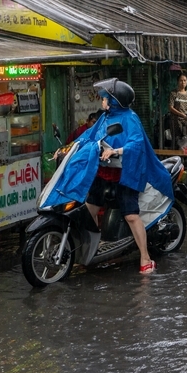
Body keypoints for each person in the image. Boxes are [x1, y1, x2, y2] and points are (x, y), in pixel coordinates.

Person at [74, 78, 174, 274]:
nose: (102, 101)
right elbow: (89, 136)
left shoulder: (130, 118)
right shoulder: (104, 117)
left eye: (104, 98)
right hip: (104, 172)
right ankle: (93, 249)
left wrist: (116, 151)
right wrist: (68, 149)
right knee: (88, 211)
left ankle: (145, 257)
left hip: (125, 173)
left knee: (130, 215)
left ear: (114, 101)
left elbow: (136, 144)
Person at [168, 73, 187, 148]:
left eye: (184, 80)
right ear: (177, 82)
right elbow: (171, 107)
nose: (183, 82)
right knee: (177, 140)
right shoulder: (173, 93)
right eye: (181, 80)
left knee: (186, 140)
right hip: (176, 121)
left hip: (186, 121)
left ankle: (185, 158)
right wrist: (181, 114)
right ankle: (176, 157)